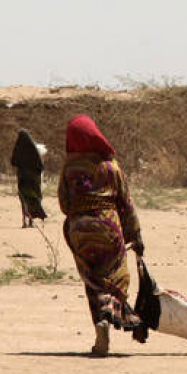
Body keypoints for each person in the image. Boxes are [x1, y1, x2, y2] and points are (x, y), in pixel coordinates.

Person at [57, 115, 143, 356]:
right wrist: (135, 234)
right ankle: (109, 312)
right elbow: (125, 203)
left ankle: (99, 329)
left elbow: (64, 203)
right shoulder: (110, 166)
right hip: (108, 225)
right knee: (115, 274)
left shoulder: (69, 169)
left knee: (92, 278)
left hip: (78, 229)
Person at [10, 129, 47, 228]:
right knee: (32, 197)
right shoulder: (33, 150)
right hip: (33, 179)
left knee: (23, 198)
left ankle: (24, 221)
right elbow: (40, 166)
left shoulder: (18, 149)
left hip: (22, 178)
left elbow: (13, 161)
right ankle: (31, 219)